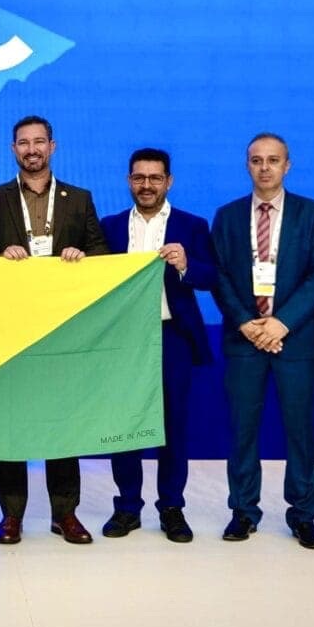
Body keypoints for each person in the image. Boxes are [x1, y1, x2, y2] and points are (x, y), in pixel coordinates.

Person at [0, 115, 107, 546]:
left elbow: (101, 253)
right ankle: (11, 515)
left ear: (52, 147)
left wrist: (81, 256)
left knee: (62, 421)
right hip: (10, 331)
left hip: (62, 331)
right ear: (13, 149)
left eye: (39, 142)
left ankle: (65, 513)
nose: (31, 149)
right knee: (10, 422)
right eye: (23, 143)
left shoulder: (80, 198)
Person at [210, 133, 314, 549]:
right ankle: (243, 511)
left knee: (300, 431)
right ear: (247, 165)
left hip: (296, 341)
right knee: (242, 430)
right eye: (257, 160)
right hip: (244, 340)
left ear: (287, 165)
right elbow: (219, 276)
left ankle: (304, 515)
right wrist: (247, 323)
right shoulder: (227, 216)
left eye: (273, 160)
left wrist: (281, 323)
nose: (265, 167)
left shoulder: (312, 213)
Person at [99, 147, 215, 544]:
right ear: (128, 181)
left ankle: (171, 508)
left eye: (154, 178)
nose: (146, 185)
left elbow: (212, 276)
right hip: (122, 341)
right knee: (123, 426)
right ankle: (127, 507)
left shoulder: (192, 225)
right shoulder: (109, 227)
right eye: (139, 178)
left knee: (174, 425)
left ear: (169, 181)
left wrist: (186, 264)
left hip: (172, 337)